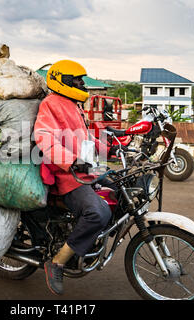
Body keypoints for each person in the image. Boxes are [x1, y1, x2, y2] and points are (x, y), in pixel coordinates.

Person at [34, 60, 117, 295]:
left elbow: (85, 139)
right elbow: (44, 139)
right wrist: (71, 161)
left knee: (121, 189)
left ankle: (84, 241)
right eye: (77, 80)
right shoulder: (50, 105)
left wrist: (113, 147)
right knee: (96, 212)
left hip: (86, 170)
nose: (82, 84)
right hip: (66, 175)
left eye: (82, 79)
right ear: (61, 81)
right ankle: (58, 262)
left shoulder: (73, 104)